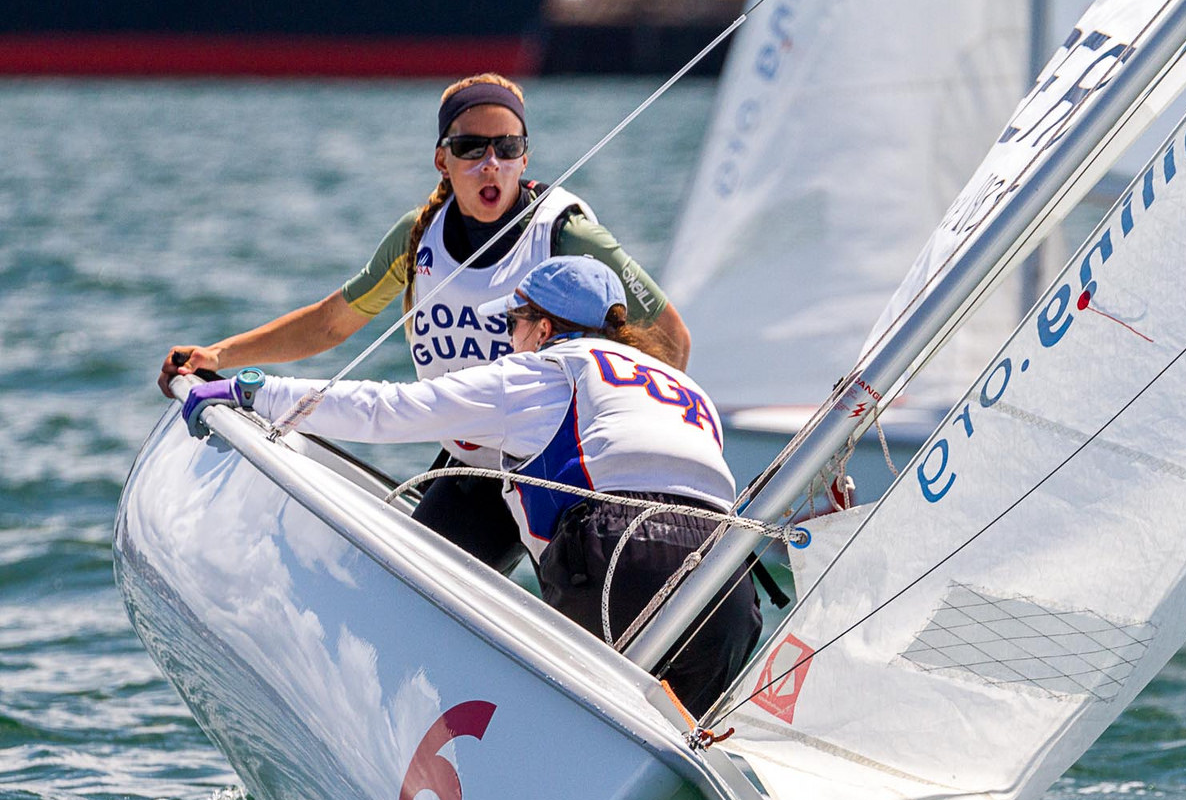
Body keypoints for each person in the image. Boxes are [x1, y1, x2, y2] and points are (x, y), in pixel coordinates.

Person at [179, 256, 757, 716]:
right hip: (729, 582)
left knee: (571, 722)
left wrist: (251, 391)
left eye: (514, 322)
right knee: (678, 734)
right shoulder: (684, 388)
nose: (509, 337)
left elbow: (387, 408)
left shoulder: (543, 371)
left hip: (623, 558)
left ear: (544, 327)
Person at [160, 72, 692, 573]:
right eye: (471, 148)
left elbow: (672, 341)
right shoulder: (418, 238)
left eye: (507, 148)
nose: (491, 164)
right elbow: (330, 325)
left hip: (558, 474)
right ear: (442, 158)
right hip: (470, 469)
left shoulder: (565, 234)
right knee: (403, 586)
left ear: (524, 155)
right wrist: (219, 357)